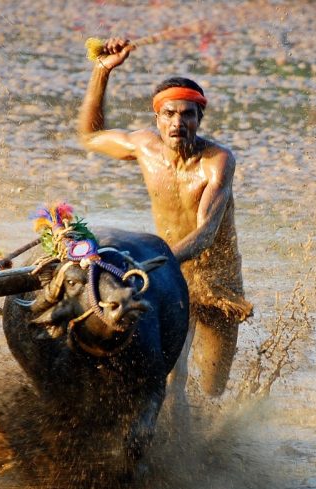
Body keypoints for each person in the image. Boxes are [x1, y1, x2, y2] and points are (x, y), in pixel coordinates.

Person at [77, 38, 251, 401]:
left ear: (199, 119)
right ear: (156, 118)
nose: (178, 123)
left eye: (188, 114)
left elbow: (204, 235)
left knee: (212, 390)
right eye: (169, 114)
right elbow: (90, 135)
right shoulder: (144, 147)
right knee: (174, 377)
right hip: (171, 278)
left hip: (217, 283)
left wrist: (151, 266)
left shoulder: (217, 161)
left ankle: (208, 444)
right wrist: (102, 71)